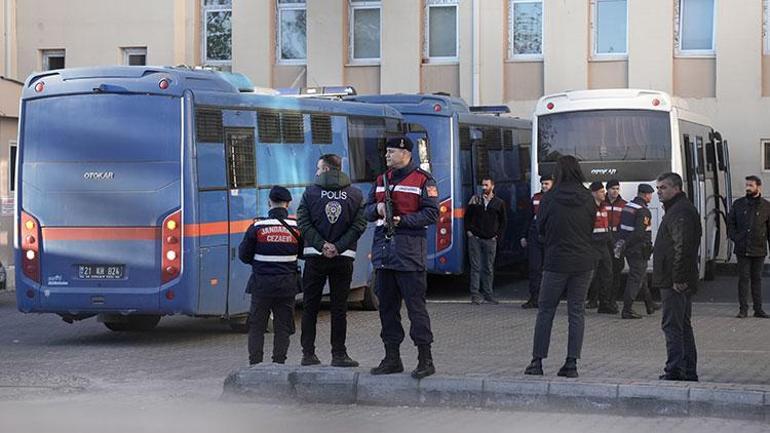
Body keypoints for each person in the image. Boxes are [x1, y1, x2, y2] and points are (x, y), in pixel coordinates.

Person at [365, 136, 439, 379]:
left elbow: (431, 213)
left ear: (406, 153)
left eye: (391, 151)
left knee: (416, 309)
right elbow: (365, 211)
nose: (387, 155)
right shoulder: (380, 180)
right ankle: (392, 358)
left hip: (409, 254)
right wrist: (377, 209)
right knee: (387, 309)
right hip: (384, 254)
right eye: (386, 151)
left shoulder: (422, 180)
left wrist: (402, 220)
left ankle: (425, 359)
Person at [524, 156, 595, 378]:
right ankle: (571, 363)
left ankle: (537, 362)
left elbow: (540, 228)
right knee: (576, 311)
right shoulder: (587, 197)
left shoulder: (550, 197)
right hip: (583, 262)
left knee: (546, 311)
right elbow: (591, 226)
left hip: (555, 262)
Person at [297, 154, 367, 367]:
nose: (317, 172)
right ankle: (339, 354)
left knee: (310, 306)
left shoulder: (310, 194)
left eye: (319, 168)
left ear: (327, 169)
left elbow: (302, 221)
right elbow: (359, 225)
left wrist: (321, 245)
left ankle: (308, 354)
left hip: (315, 257)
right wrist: (338, 246)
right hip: (343, 258)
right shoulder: (355, 194)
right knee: (339, 308)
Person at [238, 186, 301, 366]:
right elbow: (303, 252)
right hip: (287, 286)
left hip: (261, 285)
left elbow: (244, 255)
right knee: (283, 327)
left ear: (269, 203)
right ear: (288, 204)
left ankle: (255, 364)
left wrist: (261, 264)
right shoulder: (296, 228)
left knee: (257, 327)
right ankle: (279, 363)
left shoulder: (257, 227)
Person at [652, 172, 701, 381]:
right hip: (674, 277)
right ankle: (686, 369)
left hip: (674, 279)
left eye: (663, 188)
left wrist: (679, 278)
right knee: (681, 324)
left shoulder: (680, 212)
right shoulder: (677, 209)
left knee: (673, 325)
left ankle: (675, 370)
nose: (659, 192)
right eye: (657, 188)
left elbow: (683, 247)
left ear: (676, 188)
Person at [727, 175, 770, 318]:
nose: (747, 188)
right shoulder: (738, 204)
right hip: (742, 247)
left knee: (757, 279)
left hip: (759, 248)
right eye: (746, 185)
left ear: (758, 187)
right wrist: (735, 237)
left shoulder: (766, 206)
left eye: (751, 185)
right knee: (743, 279)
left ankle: (758, 309)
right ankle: (743, 309)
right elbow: (731, 223)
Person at [615, 184, 658, 319]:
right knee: (635, 279)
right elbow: (639, 233)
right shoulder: (643, 211)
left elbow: (622, 227)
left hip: (630, 249)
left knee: (641, 276)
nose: (651, 197)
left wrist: (623, 245)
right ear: (646, 195)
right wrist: (629, 244)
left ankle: (650, 304)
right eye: (651, 194)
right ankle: (627, 309)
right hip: (638, 249)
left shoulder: (628, 207)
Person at [465, 176, 507, 305]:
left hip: (490, 239)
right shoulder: (475, 200)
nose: (484, 188)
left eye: (486, 185)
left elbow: (503, 221)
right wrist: (469, 232)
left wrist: (497, 236)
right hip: (475, 238)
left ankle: (488, 294)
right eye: (482, 185)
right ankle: (475, 294)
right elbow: (467, 217)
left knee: (488, 267)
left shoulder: (499, 203)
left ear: (492, 186)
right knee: (476, 267)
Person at [521, 174, 553, 309]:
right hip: (535, 234)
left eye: (547, 184)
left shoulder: (556, 198)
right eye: (543, 184)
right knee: (534, 268)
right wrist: (523, 236)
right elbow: (527, 217)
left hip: (550, 236)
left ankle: (548, 299)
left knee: (549, 270)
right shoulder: (535, 198)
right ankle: (534, 298)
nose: (544, 186)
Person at [586, 181, 617, 314]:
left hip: (603, 245)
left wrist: (611, 242)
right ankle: (579, 303)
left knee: (607, 274)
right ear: (593, 193)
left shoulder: (603, 207)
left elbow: (606, 227)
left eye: (604, 191)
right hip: (592, 246)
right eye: (601, 191)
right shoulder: (588, 208)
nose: (604, 193)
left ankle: (604, 304)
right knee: (589, 276)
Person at [604, 179, 627, 307]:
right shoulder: (601, 203)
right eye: (613, 188)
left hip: (618, 241)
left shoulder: (624, 204)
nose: (615, 191)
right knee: (604, 270)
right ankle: (600, 299)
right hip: (605, 240)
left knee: (617, 269)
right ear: (607, 190)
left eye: (617, 189)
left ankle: (612, 299)